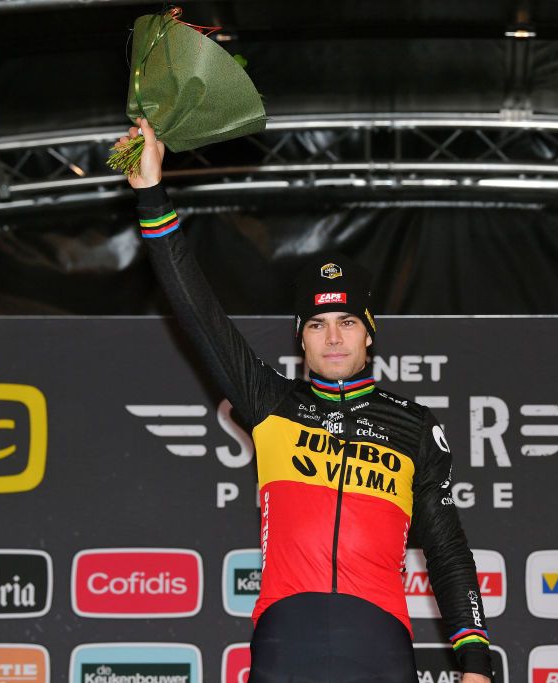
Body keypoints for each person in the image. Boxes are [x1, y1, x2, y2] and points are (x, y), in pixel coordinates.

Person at [118, 118, 493, 683]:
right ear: (301, 336)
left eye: (347, 322)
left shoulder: (413, 426)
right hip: (284, 637)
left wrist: (476, 661)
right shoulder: (269, 403)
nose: (334, 337)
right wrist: (151, 193)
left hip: (382, 642)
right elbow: (199, 313)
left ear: (369, 332)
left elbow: (445, 548)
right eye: (318, 324)